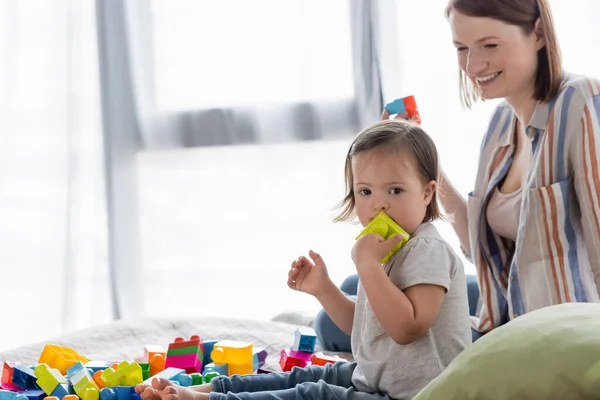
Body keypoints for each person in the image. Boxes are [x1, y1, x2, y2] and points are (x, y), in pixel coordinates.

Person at [135, 119, 472, 400]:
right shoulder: (387, 249)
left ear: (427, 193)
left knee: (316, 394)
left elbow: (406, 329)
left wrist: (366, 265)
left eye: (395, 190)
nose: (378, 205)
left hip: (416, 395)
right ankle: (212, 390)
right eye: (365, 192)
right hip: (379, 379)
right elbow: (371, 326)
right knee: (314, 373)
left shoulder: (428, 249)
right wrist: (325, 290)